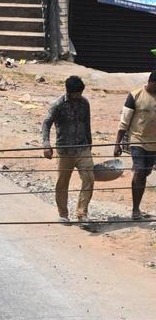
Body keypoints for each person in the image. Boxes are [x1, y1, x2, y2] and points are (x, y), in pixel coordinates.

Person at [41, 74, 94, 228]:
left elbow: (87, 124)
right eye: (77, 93)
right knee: (62, 183)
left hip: (82, 148)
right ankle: (63, 214)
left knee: (89, 179)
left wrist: (90, 145)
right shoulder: (58, 105)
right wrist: (46, 144)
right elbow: (46, 124)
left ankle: (82, 213)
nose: (79, 96)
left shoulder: (84, 103)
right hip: (64, 150)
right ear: (69, 91)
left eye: (81, 93)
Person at [113, 69, 156, 220]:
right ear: (150, 82)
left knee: (145, 173)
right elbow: (124, 121)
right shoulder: (135, 95)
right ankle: (135, 210)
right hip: (137, 140)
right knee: (139, 171)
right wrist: (117, 144)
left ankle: (137, 208)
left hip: (154, 143)